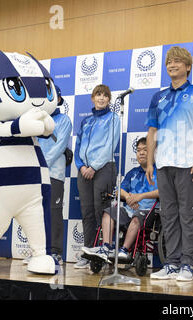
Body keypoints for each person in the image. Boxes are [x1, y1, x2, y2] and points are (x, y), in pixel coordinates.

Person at [145, 46, 193, 281]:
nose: (172, 65)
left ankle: (187, 264)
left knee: (188, 216)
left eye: (177, 61)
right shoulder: (159, 97)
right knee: (169, 216)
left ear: (188, 67)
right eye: (168, 62)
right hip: (164, 165)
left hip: (189, 164)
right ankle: (172, 264)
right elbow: (152, 130)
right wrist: (149, 163)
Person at [82, 137, 159, 262]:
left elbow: (162, 192)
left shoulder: (159, 172)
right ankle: (106, 247)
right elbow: (118, 190)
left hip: (148, 212)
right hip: (128, 209)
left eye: (145, 150)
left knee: (137, 217)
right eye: (138, 150)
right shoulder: (132, 173)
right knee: (108, 212)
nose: (141, 153)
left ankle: (124, 250)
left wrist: (140, 197)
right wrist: (128, 197)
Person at [74, 84, 120, 268]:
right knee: (87, 212)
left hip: (104, 168)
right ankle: (87, 252)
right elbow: (77, 147)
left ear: (109, 99)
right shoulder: (86, 121)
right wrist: (82, 166)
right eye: (98, 95)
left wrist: (93, 166)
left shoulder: (113, 118)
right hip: (83, 170)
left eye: (105, 96)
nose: (101, 98)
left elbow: (111, 144)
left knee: (102, 210)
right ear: (92, 98)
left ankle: (104, 251)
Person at [37, 86, 72, 265]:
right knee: (36, 213)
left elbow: (59, 147)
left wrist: (42, 164)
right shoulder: (36, 122)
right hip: (36, 174)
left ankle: (56, 252)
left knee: (53, 212)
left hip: (53, 174)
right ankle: (39, 252)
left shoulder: (64, 120)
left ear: (58, 99)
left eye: (53, 97)